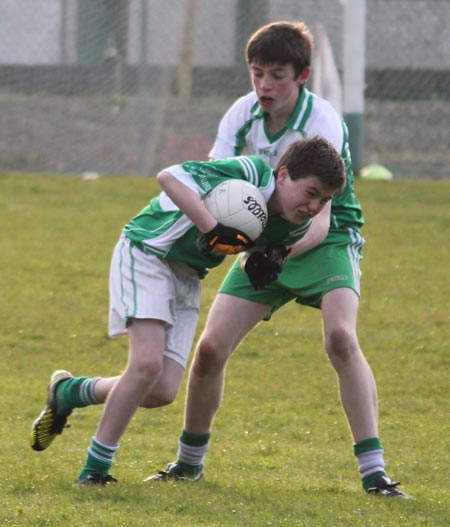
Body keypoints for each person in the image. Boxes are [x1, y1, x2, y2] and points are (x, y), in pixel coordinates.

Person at [147, 21, 409, 497]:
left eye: (278, 75)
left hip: (324, 236)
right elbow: (215, 186)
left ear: (303, 75)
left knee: (341, 339)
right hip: (264, 234)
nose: (265, 85)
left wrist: (277, 250)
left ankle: (375, 474)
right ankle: (188, 464)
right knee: (209, 351)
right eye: (257, 73)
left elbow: (320, 215)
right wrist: (222, 238)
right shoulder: (241, 114)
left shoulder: (322, 120)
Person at [30, 135, 346, 485]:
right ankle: (95, 471)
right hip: (148, 252)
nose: (315, 207)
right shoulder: (249, 173)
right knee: (146, 364)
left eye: (325, 200)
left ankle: (70, 392)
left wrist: (262, 261)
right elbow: (169, 177)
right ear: (284, 175)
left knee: (160, 391)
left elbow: (248, 252)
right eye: (311, 192)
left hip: (188, 277)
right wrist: (211, 227)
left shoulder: (293, 224)